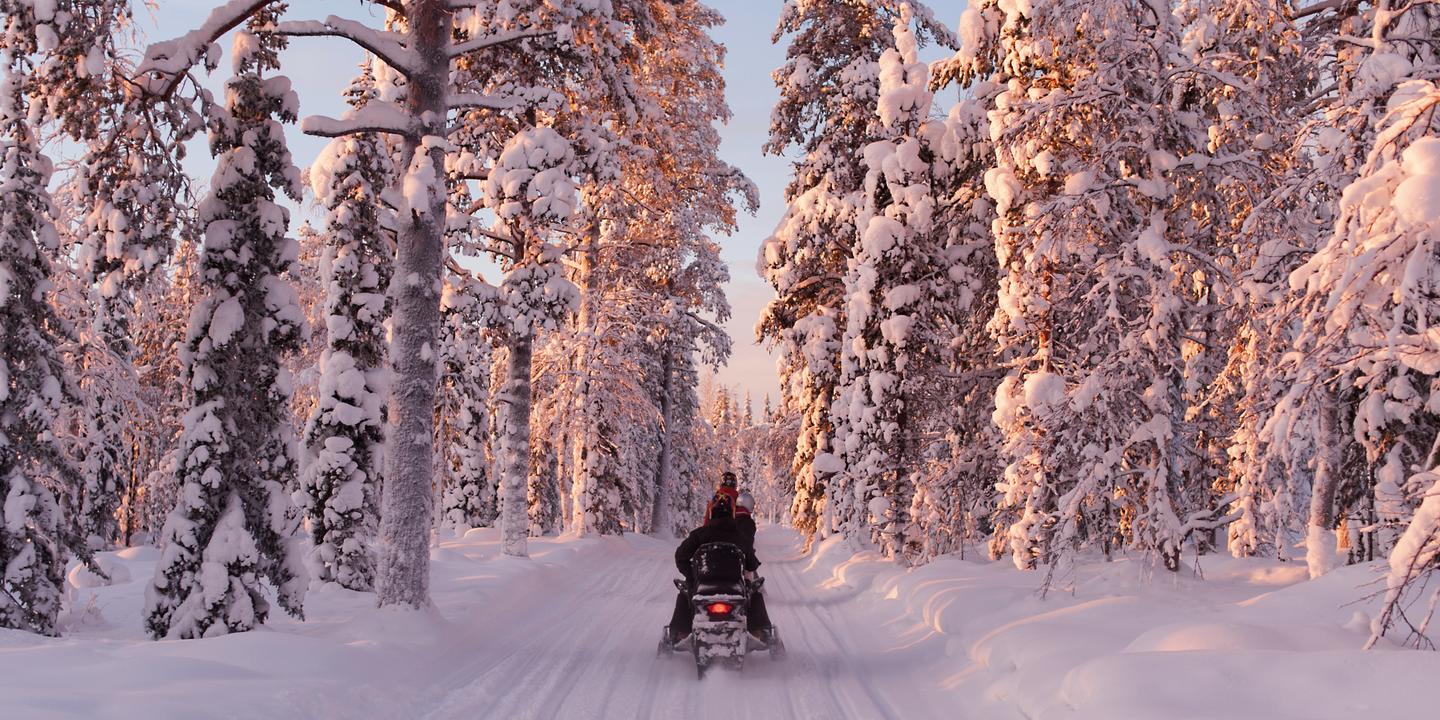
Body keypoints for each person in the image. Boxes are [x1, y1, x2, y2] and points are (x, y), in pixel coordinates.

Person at [667, 495, 773, 644]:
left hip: (702, 587)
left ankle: (678, 634)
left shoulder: (699, 534)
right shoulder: (740, 537)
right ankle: (762, 632)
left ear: (711, 514)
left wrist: (691, 577)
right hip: (734, 588)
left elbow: (680, 556)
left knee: (684, 595)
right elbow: (752, 565)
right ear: (731, 514)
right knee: (755, 593)